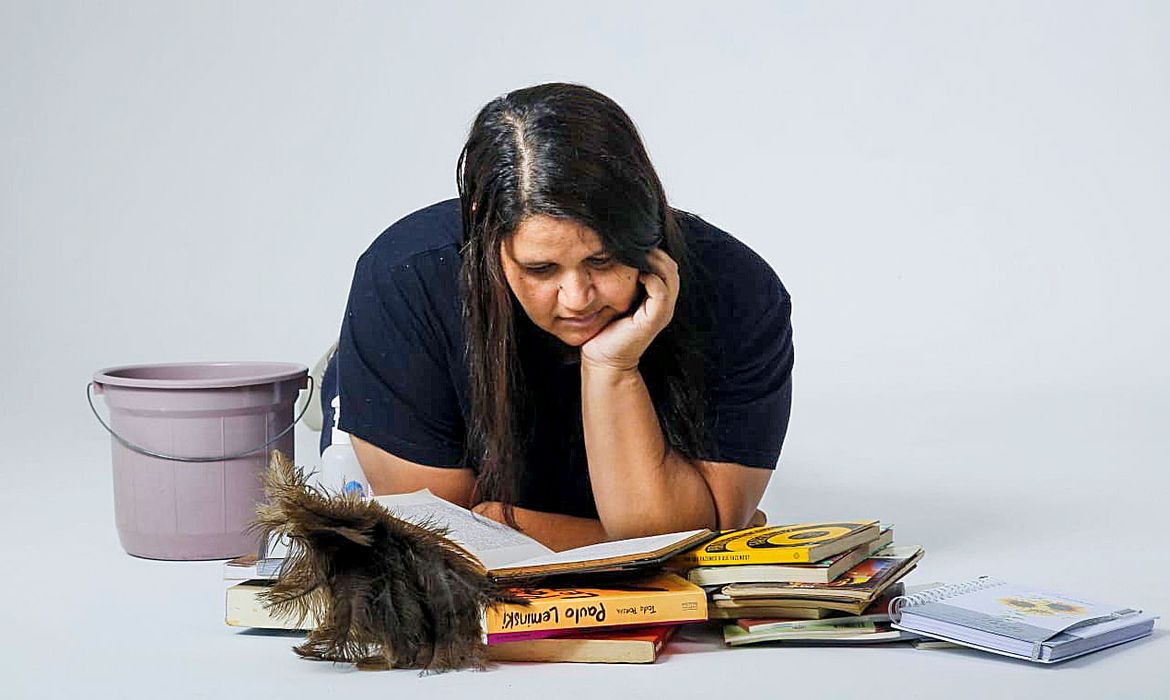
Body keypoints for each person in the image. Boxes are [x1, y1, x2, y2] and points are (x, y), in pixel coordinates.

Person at [322, 83, 793, 551]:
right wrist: (663, 540)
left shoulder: (739, 292)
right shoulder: (408, 280)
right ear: (490, 241)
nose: (576, 299)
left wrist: (613, 367)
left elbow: (693, 539)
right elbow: (442, 544)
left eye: (604, 261)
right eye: (540, 269)